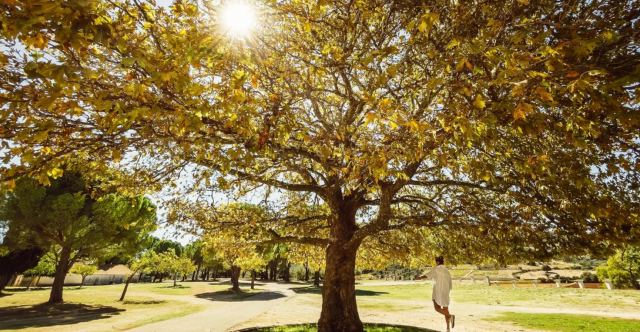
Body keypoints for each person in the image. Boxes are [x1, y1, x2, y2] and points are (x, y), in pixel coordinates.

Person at [421, 256, 455, 331]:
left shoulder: (437, 269)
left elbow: (428, 275)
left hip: (437, 291)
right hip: (446, 292)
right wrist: (447, 292)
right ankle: (448, 328)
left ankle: (450, 316)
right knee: (445, 309)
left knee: (437, 308)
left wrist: (419, 277)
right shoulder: (447, 270)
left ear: (438, 262)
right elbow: (450, 283)